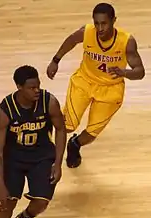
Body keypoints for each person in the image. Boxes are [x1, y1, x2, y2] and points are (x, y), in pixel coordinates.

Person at [46, 2, 145, 168]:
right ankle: (44, 140)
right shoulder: (86, 32)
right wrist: (55, 60)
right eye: (97, 23)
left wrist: (124, 72)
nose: (100, 28)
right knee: (67, 126)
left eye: (104, 23)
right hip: (84, 81)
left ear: (114, 21)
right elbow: (70, 41)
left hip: (110, 90)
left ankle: (75, 144)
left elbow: (140, 72)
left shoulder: (127, 41)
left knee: (91, 134)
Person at [0, 65, 66, 218]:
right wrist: (0, 185)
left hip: (42, 157)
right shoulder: (5, 110)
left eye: (38, 86)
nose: (37, 90)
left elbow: (60, 129)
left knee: (42, 201)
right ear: (19, 87)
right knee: (7, 201)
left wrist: (58, 163)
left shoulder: (49, 102)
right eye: (31, 87)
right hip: (13, 159)